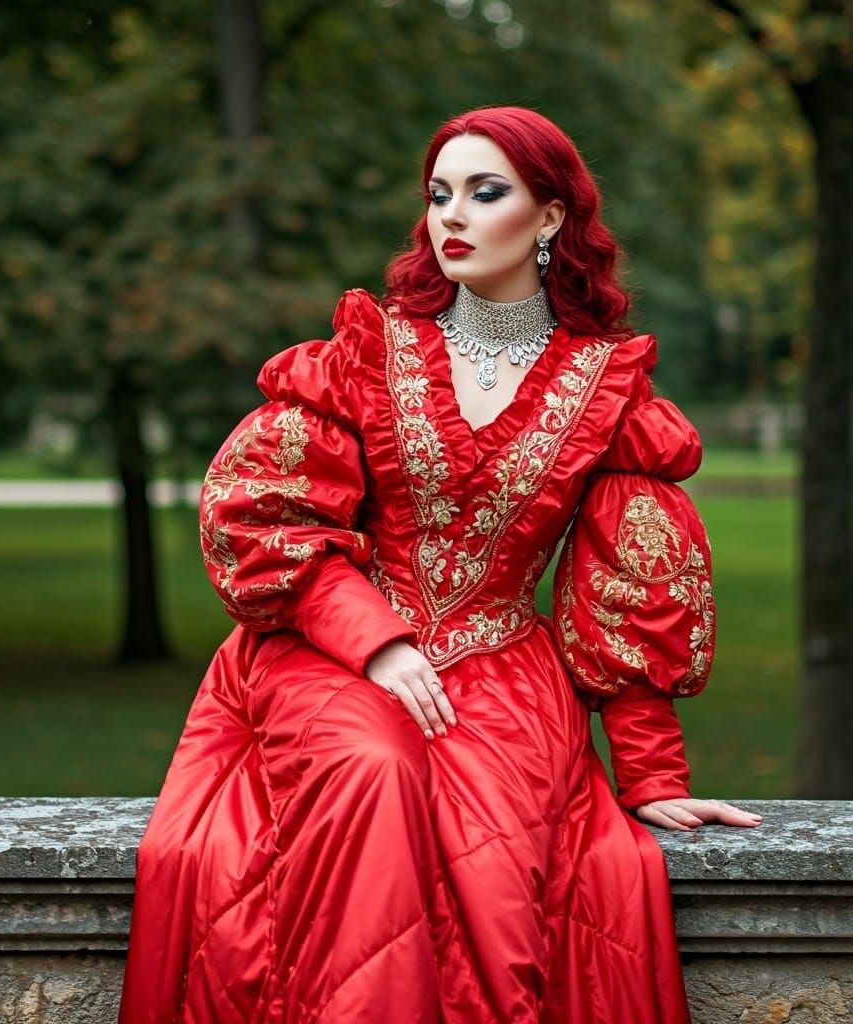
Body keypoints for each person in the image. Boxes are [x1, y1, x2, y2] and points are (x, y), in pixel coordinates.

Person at [118, 106, 762, 1024]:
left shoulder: (606, 385)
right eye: (438, 195)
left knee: (493, 858)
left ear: (549, 218)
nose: (450, 217)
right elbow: (266, 517)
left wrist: (654, 778)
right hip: (328, 646)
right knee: (373, 766)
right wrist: (376, 642)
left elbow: (636, 582)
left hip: (503, 671)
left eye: (483, 193)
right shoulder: (368, 354)